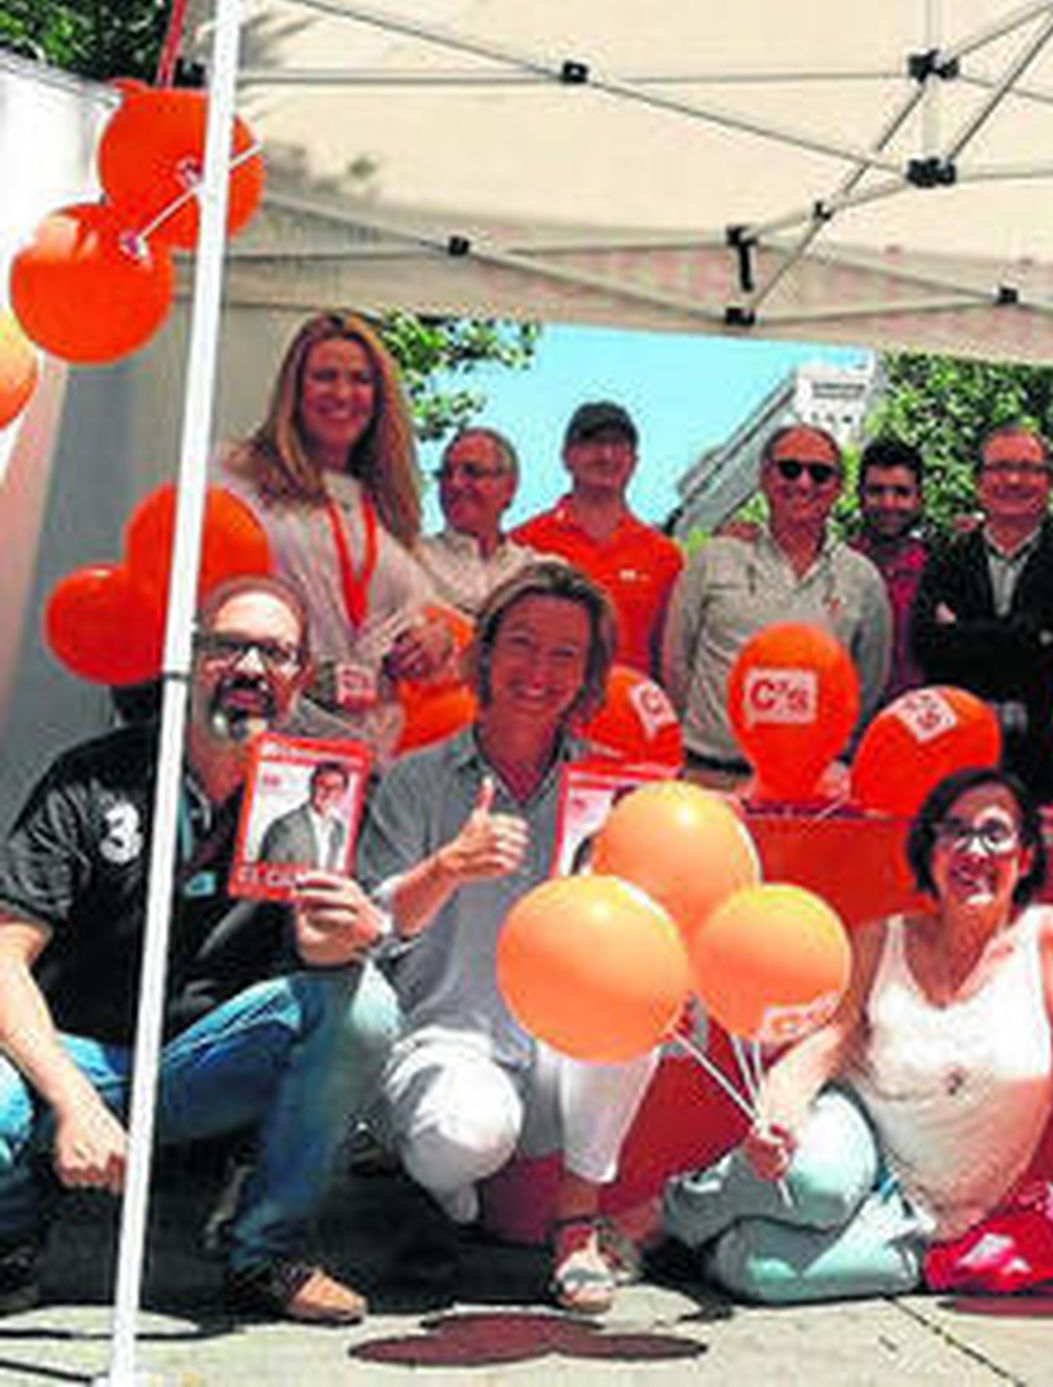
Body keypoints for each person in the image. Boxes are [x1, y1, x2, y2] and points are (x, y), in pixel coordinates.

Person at [0, 574, 396, 1323]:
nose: (250, 668)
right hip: (73, 1054)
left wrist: (343, 937)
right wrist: (73, 1099)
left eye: (275, 653)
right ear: (188, 655)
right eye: (229, 646)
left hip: (208, 1061)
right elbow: (3, 957)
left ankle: (266, 1253)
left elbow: (325, 962)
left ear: (301, 677)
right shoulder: (94, 774)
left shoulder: (331, 781)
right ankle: (10, 1234)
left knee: (363, 1002)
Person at [659, 767, 1053, 1307]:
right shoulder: (881, 938)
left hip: (927, 1222)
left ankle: (721, 1237)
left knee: (758, 1270)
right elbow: (824, 1044)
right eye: (953, 831)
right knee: (818, 1185)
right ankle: (668, 1214)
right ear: (930, 853)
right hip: (856, 1140)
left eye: (994, 834)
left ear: (1024, 859)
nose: (973, 851)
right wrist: (777, 1114)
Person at [358, 559, 657, 1312]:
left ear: (589, 675)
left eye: (567, 654)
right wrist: (447, 867)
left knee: (637, 1004)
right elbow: (374, 926)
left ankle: (575, 1226)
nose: (539, 669)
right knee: (462, 1134)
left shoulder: (615, 789)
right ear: (485, 651)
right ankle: (441, 1193)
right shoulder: (415, 780)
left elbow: (643, 935)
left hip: (564, 1059)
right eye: (522, 643)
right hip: (448, 1043)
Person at [219, 312, 455, 756]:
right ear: (295, 389)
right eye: (325, 377)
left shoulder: (386, 503)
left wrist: (432, 639)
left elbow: (411, 614)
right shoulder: (237, 473)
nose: (343, 394)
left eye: (360, 380)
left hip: (369, 749)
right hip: (266, 732)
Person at [663, 423, 891, 781]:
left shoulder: (862, 579)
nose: (803, 483)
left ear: (837, 489)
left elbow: (867, 682)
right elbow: (677, 661)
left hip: (812, 790)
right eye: (789, 468)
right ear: (765, 477)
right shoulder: (713, 559)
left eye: (819, 474)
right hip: (710, 777)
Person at [911, 423, 1053, 800]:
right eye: (999, 468)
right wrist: (1027, 636)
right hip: (958, 762)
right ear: (979, 482)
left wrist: (965, 634)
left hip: (1052, 772)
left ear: (1048, 482)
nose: (1013, 479)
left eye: (1029, 468)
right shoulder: (945, 563)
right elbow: (928, 649)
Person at [511, 401, 683, 676]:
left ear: (634, 462)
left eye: (618, 445)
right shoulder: (524, 543)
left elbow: (675, 658)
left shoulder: (664, 556)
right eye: (592, 443)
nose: (606, 455)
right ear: (566, 457)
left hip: (630, 712)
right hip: (544, 710)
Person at [417, 426, 536, 617]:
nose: (454, 484)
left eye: (472, 472)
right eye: (445, 473)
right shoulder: (412, 559)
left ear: (509, 487)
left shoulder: (535, 571)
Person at [852, 436, 930, 703]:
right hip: (847, 732)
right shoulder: (831, 569)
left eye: (901, 492)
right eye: (876, 491)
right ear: (859, 496)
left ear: (919, 499)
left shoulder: (942, 572)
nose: (888, 503)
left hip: (920, 731)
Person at [258, 760, 352, 870]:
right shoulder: (284, 827)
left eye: (335, 787)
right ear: (311, 786)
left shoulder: (338, 829)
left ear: (343, 793)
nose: (328, 792)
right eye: (322, 784)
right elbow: (267, 876)